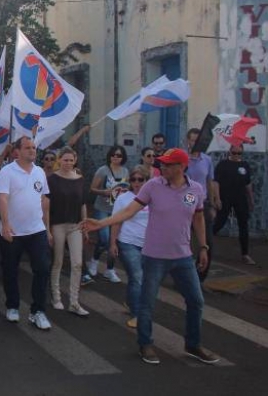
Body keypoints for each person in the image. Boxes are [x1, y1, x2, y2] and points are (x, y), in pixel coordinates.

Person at [82, 148, 218, 365]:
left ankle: (193, 344)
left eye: (167, 164)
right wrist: (101, 223)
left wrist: (203, 247)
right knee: (147, 303)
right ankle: (145, 343)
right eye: (161, 163)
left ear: (182, 167)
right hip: (155, 256)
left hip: (183, 256)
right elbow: (129, 211)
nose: (162, 167)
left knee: (196, 300)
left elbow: (198, 218)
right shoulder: (153, 186)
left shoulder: (196, 189)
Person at [0, 136, 53, 331]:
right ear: (17, 151)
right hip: (13, 231)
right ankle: (12, 306)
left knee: (42, 269)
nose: (32, 150)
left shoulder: (39, 172)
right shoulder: (7, 172)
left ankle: (38, 311)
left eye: (34, 147)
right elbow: (2, 199)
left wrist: (47, 228)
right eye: (27, 147)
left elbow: (44, 200)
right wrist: (5, 225)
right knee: (10, 270)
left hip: (37, 230)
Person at [46, 147, 89, 317]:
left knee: (77, 263)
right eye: (65, 160)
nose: (68, 163)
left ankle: (74, 302)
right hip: (58, 224)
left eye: (71, 160)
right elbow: (46, 206)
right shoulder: (52, 179)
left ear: (75, 160)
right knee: (57, 261)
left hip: (75, 225)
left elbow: (83, 203)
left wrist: (85, 224)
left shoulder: (80, 179)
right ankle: (56, 297)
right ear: (59, 160)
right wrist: (48, 229)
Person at [109, 165, 150, 329]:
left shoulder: (153, 197)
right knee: (137, 276)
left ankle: (130, 301)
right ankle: (136, 313)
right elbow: (116, 221)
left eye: (140, 179)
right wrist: (112, 243)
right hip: (128, 242)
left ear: (147, 180)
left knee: (139, 278)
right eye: (133, 179)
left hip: (149, 244)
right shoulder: (123, 198)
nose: (137, 183)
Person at [87, 145, 128, 284]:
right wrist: (104, 192)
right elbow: (92, 188)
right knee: (104, 238)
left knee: (113, 240)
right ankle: (94, 261)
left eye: (119, 155)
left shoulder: (125, 171)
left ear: (123, 157)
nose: (116, 157)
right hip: (102, 208)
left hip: (117, 209)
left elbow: (127, 187)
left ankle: (110, 269)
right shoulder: (103, 170)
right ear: (109, 156)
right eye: (113, 155)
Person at [185, 128, 219, 280]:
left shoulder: (207, 160)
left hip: (202, 204)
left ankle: (199, 278)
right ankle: (183, 277)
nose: (195, 143)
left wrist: (212, 204)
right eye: (192, 140)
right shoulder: (182, 159)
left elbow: (209, 182)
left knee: (207, 243)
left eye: (197, 140)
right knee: (184, 242)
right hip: (185, 203)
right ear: (188, 141)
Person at [213, 145, 255, 265]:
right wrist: (217, 198)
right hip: (225, 198)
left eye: (239, 153)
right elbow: (216, 182)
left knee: (243, 225)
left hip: (240, 199)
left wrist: (251, 200)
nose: (236, 155)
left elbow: (248, 184)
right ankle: (205, 245)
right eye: (234, 153)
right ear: (229, 152)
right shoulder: (223, 164)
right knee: (219, 223)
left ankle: (245, 254)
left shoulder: (245, 165)